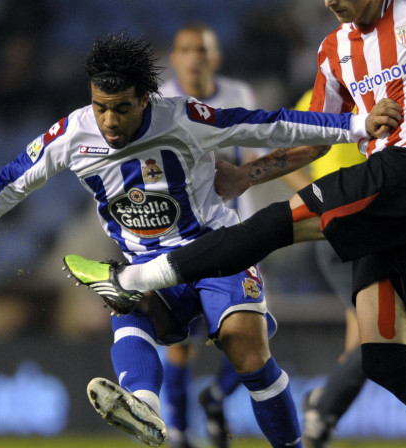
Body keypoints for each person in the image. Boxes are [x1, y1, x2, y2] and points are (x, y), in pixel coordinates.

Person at [65, 1, 406, 447]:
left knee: (272, 227)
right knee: (384, 358)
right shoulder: (333, 50)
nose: (330, 3)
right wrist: (248, 175)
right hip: (400, 212)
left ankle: (133, 279)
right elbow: (316, 135)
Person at [0, 33, 401, 447]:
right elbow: (8, 184)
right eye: (100, 107)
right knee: (126, 297)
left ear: (146, 98)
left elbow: (268, 125)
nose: (109, 121)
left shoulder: (183, 119)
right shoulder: (72, 135)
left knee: (247, 350)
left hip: (216, 250)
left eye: (121, 108)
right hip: (147, 266)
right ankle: (144, 408)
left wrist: (358, 125)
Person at [157, 24, 261, 448]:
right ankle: (180, 434)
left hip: (235, 238)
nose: (194, 57)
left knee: (250, 336)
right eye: (185, 49)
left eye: (202, 49)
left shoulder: (238, 95)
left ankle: (214, 398)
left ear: (215, 58)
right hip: (182, 241)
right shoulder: (159, 102)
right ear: (174, 58)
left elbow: (253, 160)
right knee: (180, 344)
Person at [285, 89, 368, 448]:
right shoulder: (313, 100)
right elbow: (284, 156)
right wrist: (321, 199)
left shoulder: (377, 89)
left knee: (362, 341)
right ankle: (321, 412)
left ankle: (323, 406)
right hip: (338, 230)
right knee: (376, 336)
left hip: (376, 225)